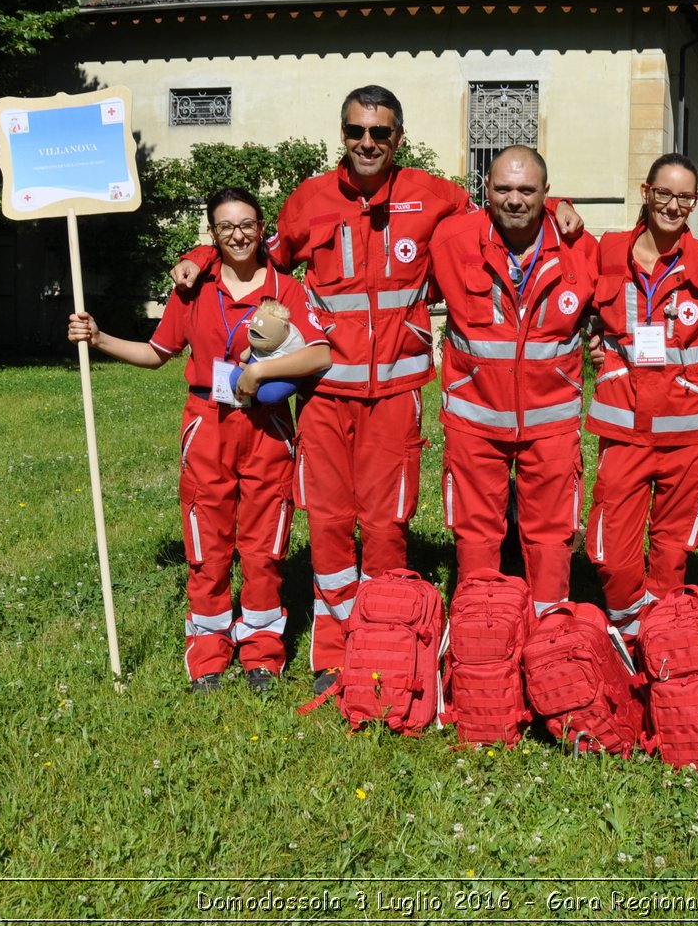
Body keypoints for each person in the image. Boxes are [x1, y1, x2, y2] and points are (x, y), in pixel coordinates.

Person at [171, 86, 581, 693]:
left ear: (399, 138)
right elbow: (258, 255)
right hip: (323, 393)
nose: (368, 143)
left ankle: (384, 640)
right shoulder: (307, 201)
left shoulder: (435, 197)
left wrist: (561, 205)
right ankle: (335, 650)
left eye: (380, 133)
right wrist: (203, 250)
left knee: (388, 525)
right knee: (332, 523)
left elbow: (505, 205)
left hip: (396, 393)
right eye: (357, 132)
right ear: (342, 135)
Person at [71, 188, 331, 693]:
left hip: (266, 426)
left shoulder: (287, 289)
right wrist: (99, 339)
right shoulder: (194, 290)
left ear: (262, 229)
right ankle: (208, 655)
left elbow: (319, 354)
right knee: (206, 543)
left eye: (247, 224)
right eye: (226, 227)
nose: (238, 235)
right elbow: (156, 353)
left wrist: (263, 374)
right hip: (207, 423)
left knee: (264, 545)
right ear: (212, 234)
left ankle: (262, 653)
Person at [429, 145, 599, 616]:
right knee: (476, 532)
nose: (515, 199)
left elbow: (617, 310)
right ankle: (481, 633)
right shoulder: (451, 240)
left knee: (551, 535)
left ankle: (550, 634)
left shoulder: (580, 248)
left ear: (547, 192)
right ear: (486, 190)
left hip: (551, 423)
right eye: (503, 188)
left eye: (528, 190)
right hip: (474, 421)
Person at [585, 154, 698, 641]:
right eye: (664, 193)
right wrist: (560, 203)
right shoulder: (606, 250)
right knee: (610, 550)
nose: (673, 205)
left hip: (686, 427)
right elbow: (549, 234)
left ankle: (660, 637)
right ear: (645, 192)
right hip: (622, 422)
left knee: (673, 546)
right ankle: (627, 623)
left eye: (685, 196)